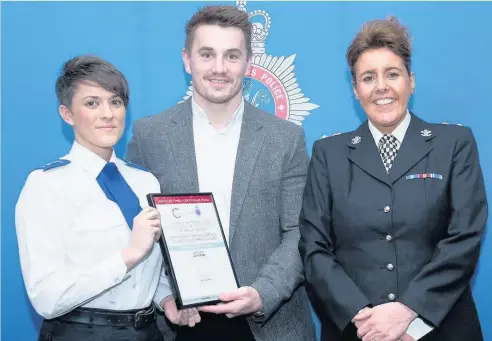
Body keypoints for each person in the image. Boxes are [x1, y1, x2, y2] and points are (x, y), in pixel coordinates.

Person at [126, 5, 316, 341]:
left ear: (248, 62)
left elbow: (299, 232)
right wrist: (165, 295)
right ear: (187, 60)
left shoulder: (285, 138)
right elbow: (137, 232)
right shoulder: (149, 135)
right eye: (207, 54)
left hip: (267, 324)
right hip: (182, 323)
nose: (219, 68)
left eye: (231, 56)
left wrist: (262, 293)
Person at [298, 17, 487, 341]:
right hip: (358, 331)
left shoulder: (454, 144)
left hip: (440, 329)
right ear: (356, 90)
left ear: (410, 82)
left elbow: (465, 238)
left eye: (392, 74)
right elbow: (314, 249)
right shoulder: (328, 154)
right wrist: (367, 320)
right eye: (368, 77)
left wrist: (407, 314)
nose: (381, 87)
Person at [15, 55, 198, 341]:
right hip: (80, 332)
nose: (107, 114)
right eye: (91, 103)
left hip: (148, 332)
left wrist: (165, 299)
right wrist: (128, 256)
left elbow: (148, 269)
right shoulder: (46, 185)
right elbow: (46, 298)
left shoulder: (144, 181)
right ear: (67, 114)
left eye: (115, 102)